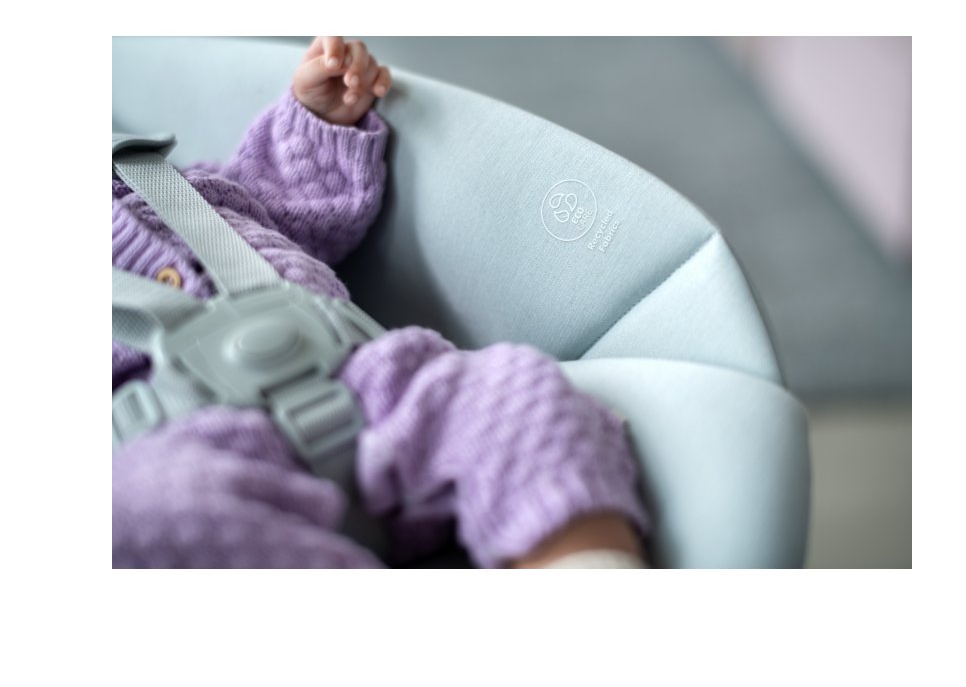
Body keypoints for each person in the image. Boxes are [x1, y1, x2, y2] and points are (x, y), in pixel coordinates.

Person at [112, 36, 649, 568]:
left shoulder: (164, 184)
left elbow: (283, 201)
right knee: (148, 516)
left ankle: (583, 563)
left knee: (514, 390)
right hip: (182, 441)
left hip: (363, 376)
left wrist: (317, 122)